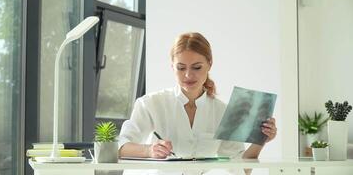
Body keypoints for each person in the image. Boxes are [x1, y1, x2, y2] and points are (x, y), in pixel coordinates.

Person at [118, 32, 277, 175]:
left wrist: (259, 140)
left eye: (196, 67)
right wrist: (149, 150)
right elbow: (121, 147)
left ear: (209, 64)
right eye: (181, 68)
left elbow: (240, 169)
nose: (188, 75)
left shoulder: (223, 111)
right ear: (172, 66)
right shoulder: (150, 103)